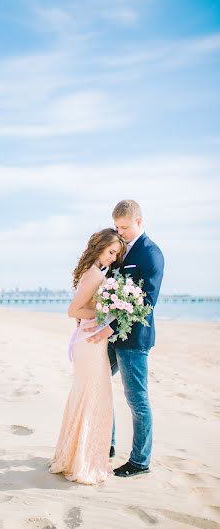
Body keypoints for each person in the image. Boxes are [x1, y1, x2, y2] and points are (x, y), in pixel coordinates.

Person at [85, 200, 165, 478]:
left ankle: (140, 461)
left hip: (134, 339)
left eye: (126, 227)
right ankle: (106, 444)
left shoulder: (151, 253)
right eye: (117, 226)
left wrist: (113, 326)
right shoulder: (119, 251)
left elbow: (147, 301)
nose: (121, 232)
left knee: (136, 399)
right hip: (110, 336)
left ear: (140, 222)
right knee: (99, 385)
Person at [48, 228, 127, 485]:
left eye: (116, 254)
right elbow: (73, 310)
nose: (113, 258)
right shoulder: (94, 275)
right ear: (99, 247)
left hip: (89, 341)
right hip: (90, 343)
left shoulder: (94, 272)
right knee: (93, 397)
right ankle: (82, 461)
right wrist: (102, 314)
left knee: (88, 396)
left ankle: (76, 456)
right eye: (111, 252)